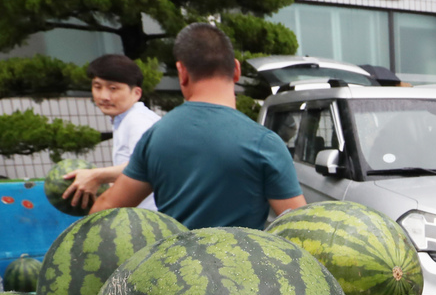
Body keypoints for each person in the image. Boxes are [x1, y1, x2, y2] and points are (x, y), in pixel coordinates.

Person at [90, 23, 305, 228]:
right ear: (236, 70)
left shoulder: (155, 136)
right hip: (243, 256)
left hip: (173, 255)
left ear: (182, 72)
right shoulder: (264, 142)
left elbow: (107, 208)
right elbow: (300, 227)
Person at [63, 54, 161, 212]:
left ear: (136, 93)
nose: (104, 96)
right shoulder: (125, 119)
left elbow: (148, 166)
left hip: (152, 219)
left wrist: (96, 176)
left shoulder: (138, 121)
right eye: (97, 87)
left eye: (113, 88)